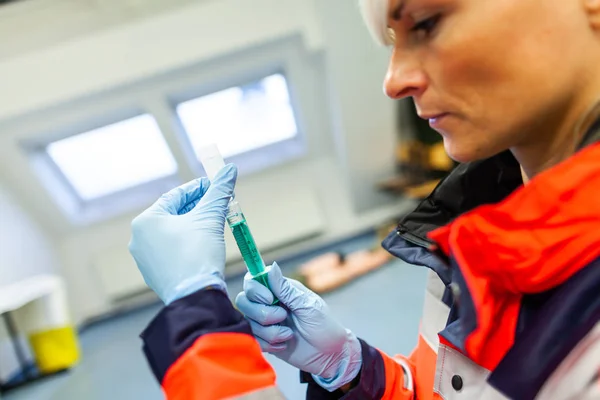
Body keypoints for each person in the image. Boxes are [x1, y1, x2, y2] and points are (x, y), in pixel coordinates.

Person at [128, 0, 600, 398]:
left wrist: (198, 322)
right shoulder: (479, 230)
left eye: (426, 22)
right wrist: (352, 371)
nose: (393, 82)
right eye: (393, 43)